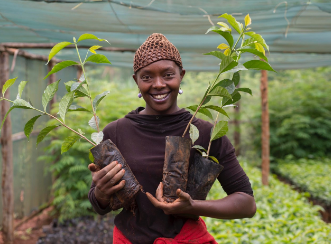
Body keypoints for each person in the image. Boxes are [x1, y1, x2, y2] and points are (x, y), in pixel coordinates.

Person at [88, 33, 256, 244]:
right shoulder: (116, 132)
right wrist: (102, 192)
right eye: (147, 77)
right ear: (136, 81)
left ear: (181, 75)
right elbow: (98, 204)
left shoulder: (204, 133)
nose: (158, 84)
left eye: (168, 75)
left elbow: (247, 203)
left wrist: (193, 206)